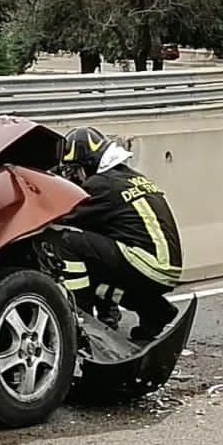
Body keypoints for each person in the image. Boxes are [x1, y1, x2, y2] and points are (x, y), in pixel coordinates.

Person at [50, 126, 182, 342]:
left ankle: (80, 320)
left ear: (87, 165)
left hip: (145, 262)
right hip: (165, 265)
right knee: (92, 253)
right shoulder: (128, 177)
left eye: (74, 171)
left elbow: (61, 218)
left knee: (66, 241)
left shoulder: (99, 185)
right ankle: (155, 310)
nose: (73, 178)